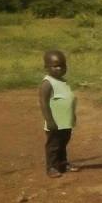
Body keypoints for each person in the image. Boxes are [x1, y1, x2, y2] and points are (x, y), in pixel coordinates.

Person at [39, 50, 77, 178]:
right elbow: (43, 103)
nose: (59, 68)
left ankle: (63, 164)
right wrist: (49, 121)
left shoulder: (63, 81)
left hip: (65, 121)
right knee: (54, 146)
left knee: (63, 144)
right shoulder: (47, 83)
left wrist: (73, 115)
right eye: (55, 66)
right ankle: (51, 167)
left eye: (62, 65)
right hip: (54, 122)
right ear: (46, 67)